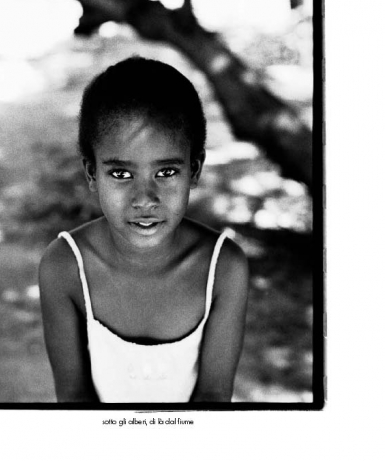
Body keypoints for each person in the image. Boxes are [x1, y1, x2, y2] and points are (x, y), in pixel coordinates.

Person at [39, 56, 249, 403]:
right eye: (121, 174)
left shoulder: (224, 269)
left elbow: (213, 398)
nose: (144, 199)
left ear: (194, 170)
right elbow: (73, 399)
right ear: (92, 174)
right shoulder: (65, 267)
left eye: (166, 172)